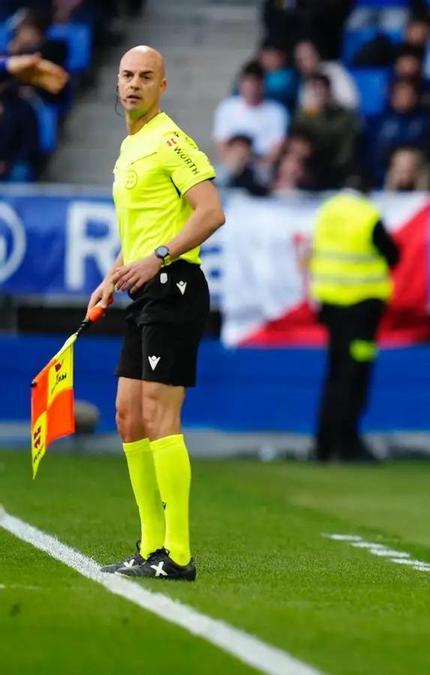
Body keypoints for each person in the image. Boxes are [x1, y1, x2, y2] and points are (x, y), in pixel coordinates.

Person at [88, 46, 226, 581]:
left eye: (146, 77)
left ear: (163, 86)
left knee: (159, 414)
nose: (133, 84)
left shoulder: (170, 141)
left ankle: (180, 555)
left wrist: (158, 258)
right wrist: (110, 278)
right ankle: (149, 547)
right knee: (127, 415)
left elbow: (211, 212)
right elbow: (140, 234)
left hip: (175, 287)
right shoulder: (130, 147)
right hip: (144, 291)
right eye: (126, 75)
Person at [308, 188, 400, 463]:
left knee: (334, 374)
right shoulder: (367, 215)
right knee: (355, 375)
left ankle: (323, 445)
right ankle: (347, 442)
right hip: (362, 310)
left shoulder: (326, 211)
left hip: (332, 306)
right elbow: (392, 254)